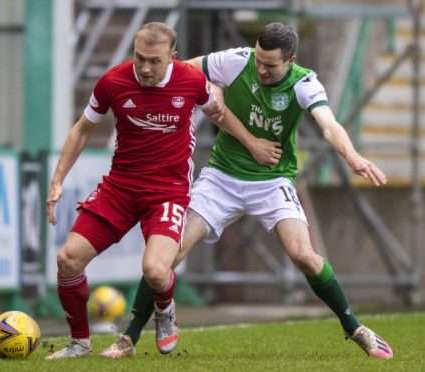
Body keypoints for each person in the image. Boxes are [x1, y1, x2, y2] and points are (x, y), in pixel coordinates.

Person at [105, 22, 394, 360]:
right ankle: (128, 339)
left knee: (303, 255)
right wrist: (188, 87)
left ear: (290, 61)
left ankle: (356, 328)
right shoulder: (237, 61)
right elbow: (179, 68)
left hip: (272, 182)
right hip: (222, 178)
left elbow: (329, 125)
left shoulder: (304, 83)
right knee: (169, 252)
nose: (260, 69)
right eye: (258, 60)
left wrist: (352, 156)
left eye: (269, 65)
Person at [44, 22, 278, 360]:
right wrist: (58, 179)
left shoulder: (192, 81)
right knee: (68, 259)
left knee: (155, 270)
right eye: (140, 58)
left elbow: (220, 113)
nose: (146, 68)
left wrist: (253, 143)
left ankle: (165, 309)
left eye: (155, 60)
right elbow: (82, 130)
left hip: (167, 192)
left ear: (173, 58)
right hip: (120, 188)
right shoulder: (112, 82)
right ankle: (79, 343)